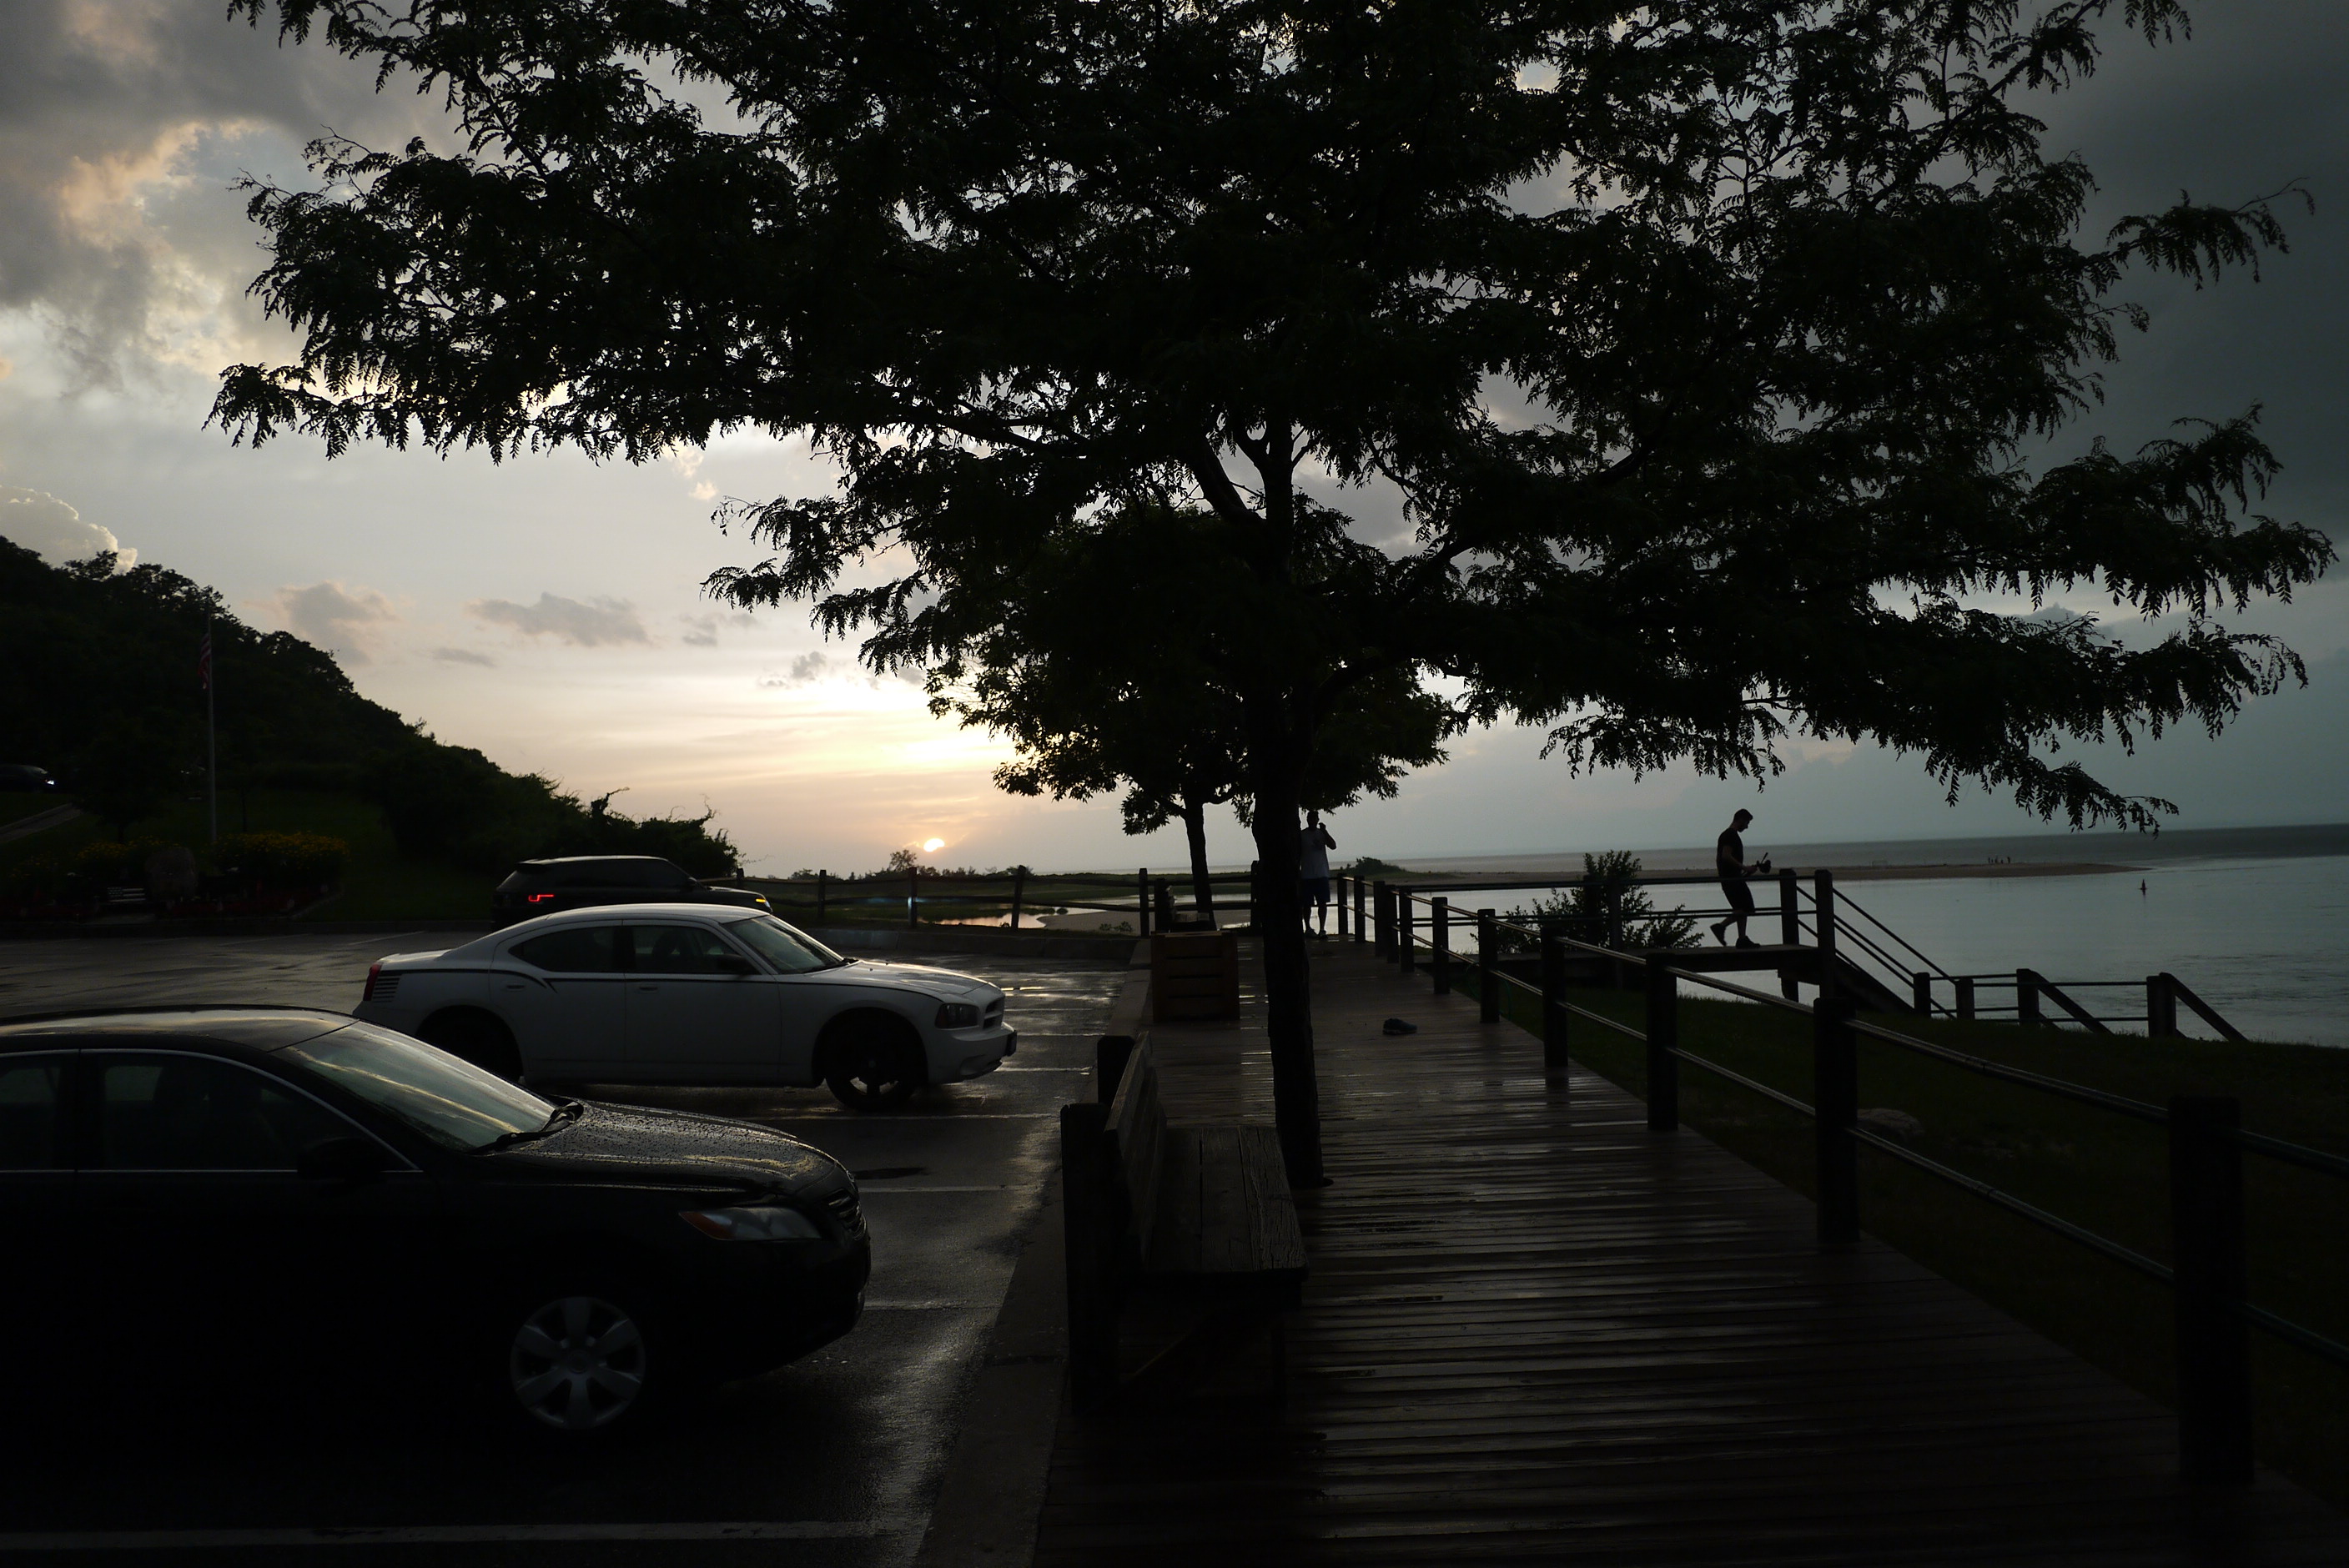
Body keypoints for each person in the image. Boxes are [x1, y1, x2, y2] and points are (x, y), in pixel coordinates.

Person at [1709, 808, 1769, 948]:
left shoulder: (1728, 835)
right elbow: (1726, 856)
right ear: (1741, 819)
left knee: (1741, 908)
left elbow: (1723, 860)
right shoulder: (1730, 835)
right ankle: (1721, 927)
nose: (1747, 827)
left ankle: (1742, 939)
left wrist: (1746, 871)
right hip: (1732, 880)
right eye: (1747, 823)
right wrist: (1745, 868)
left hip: (1731, 878)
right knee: (1747, 907)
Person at [1299, 811, 1337, 937]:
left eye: (1315, 819)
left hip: (1322, 873)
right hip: (1307, 874)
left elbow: (1333, 846)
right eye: (1310, 819)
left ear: (1317, 820)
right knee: (1306, 904)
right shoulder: (1302, 835)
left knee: (1322, 903)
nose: (1313, 821)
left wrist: (1325, 831)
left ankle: (1322, 929)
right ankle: (1308, 928)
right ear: (1307, 820)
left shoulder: (1322, 834)